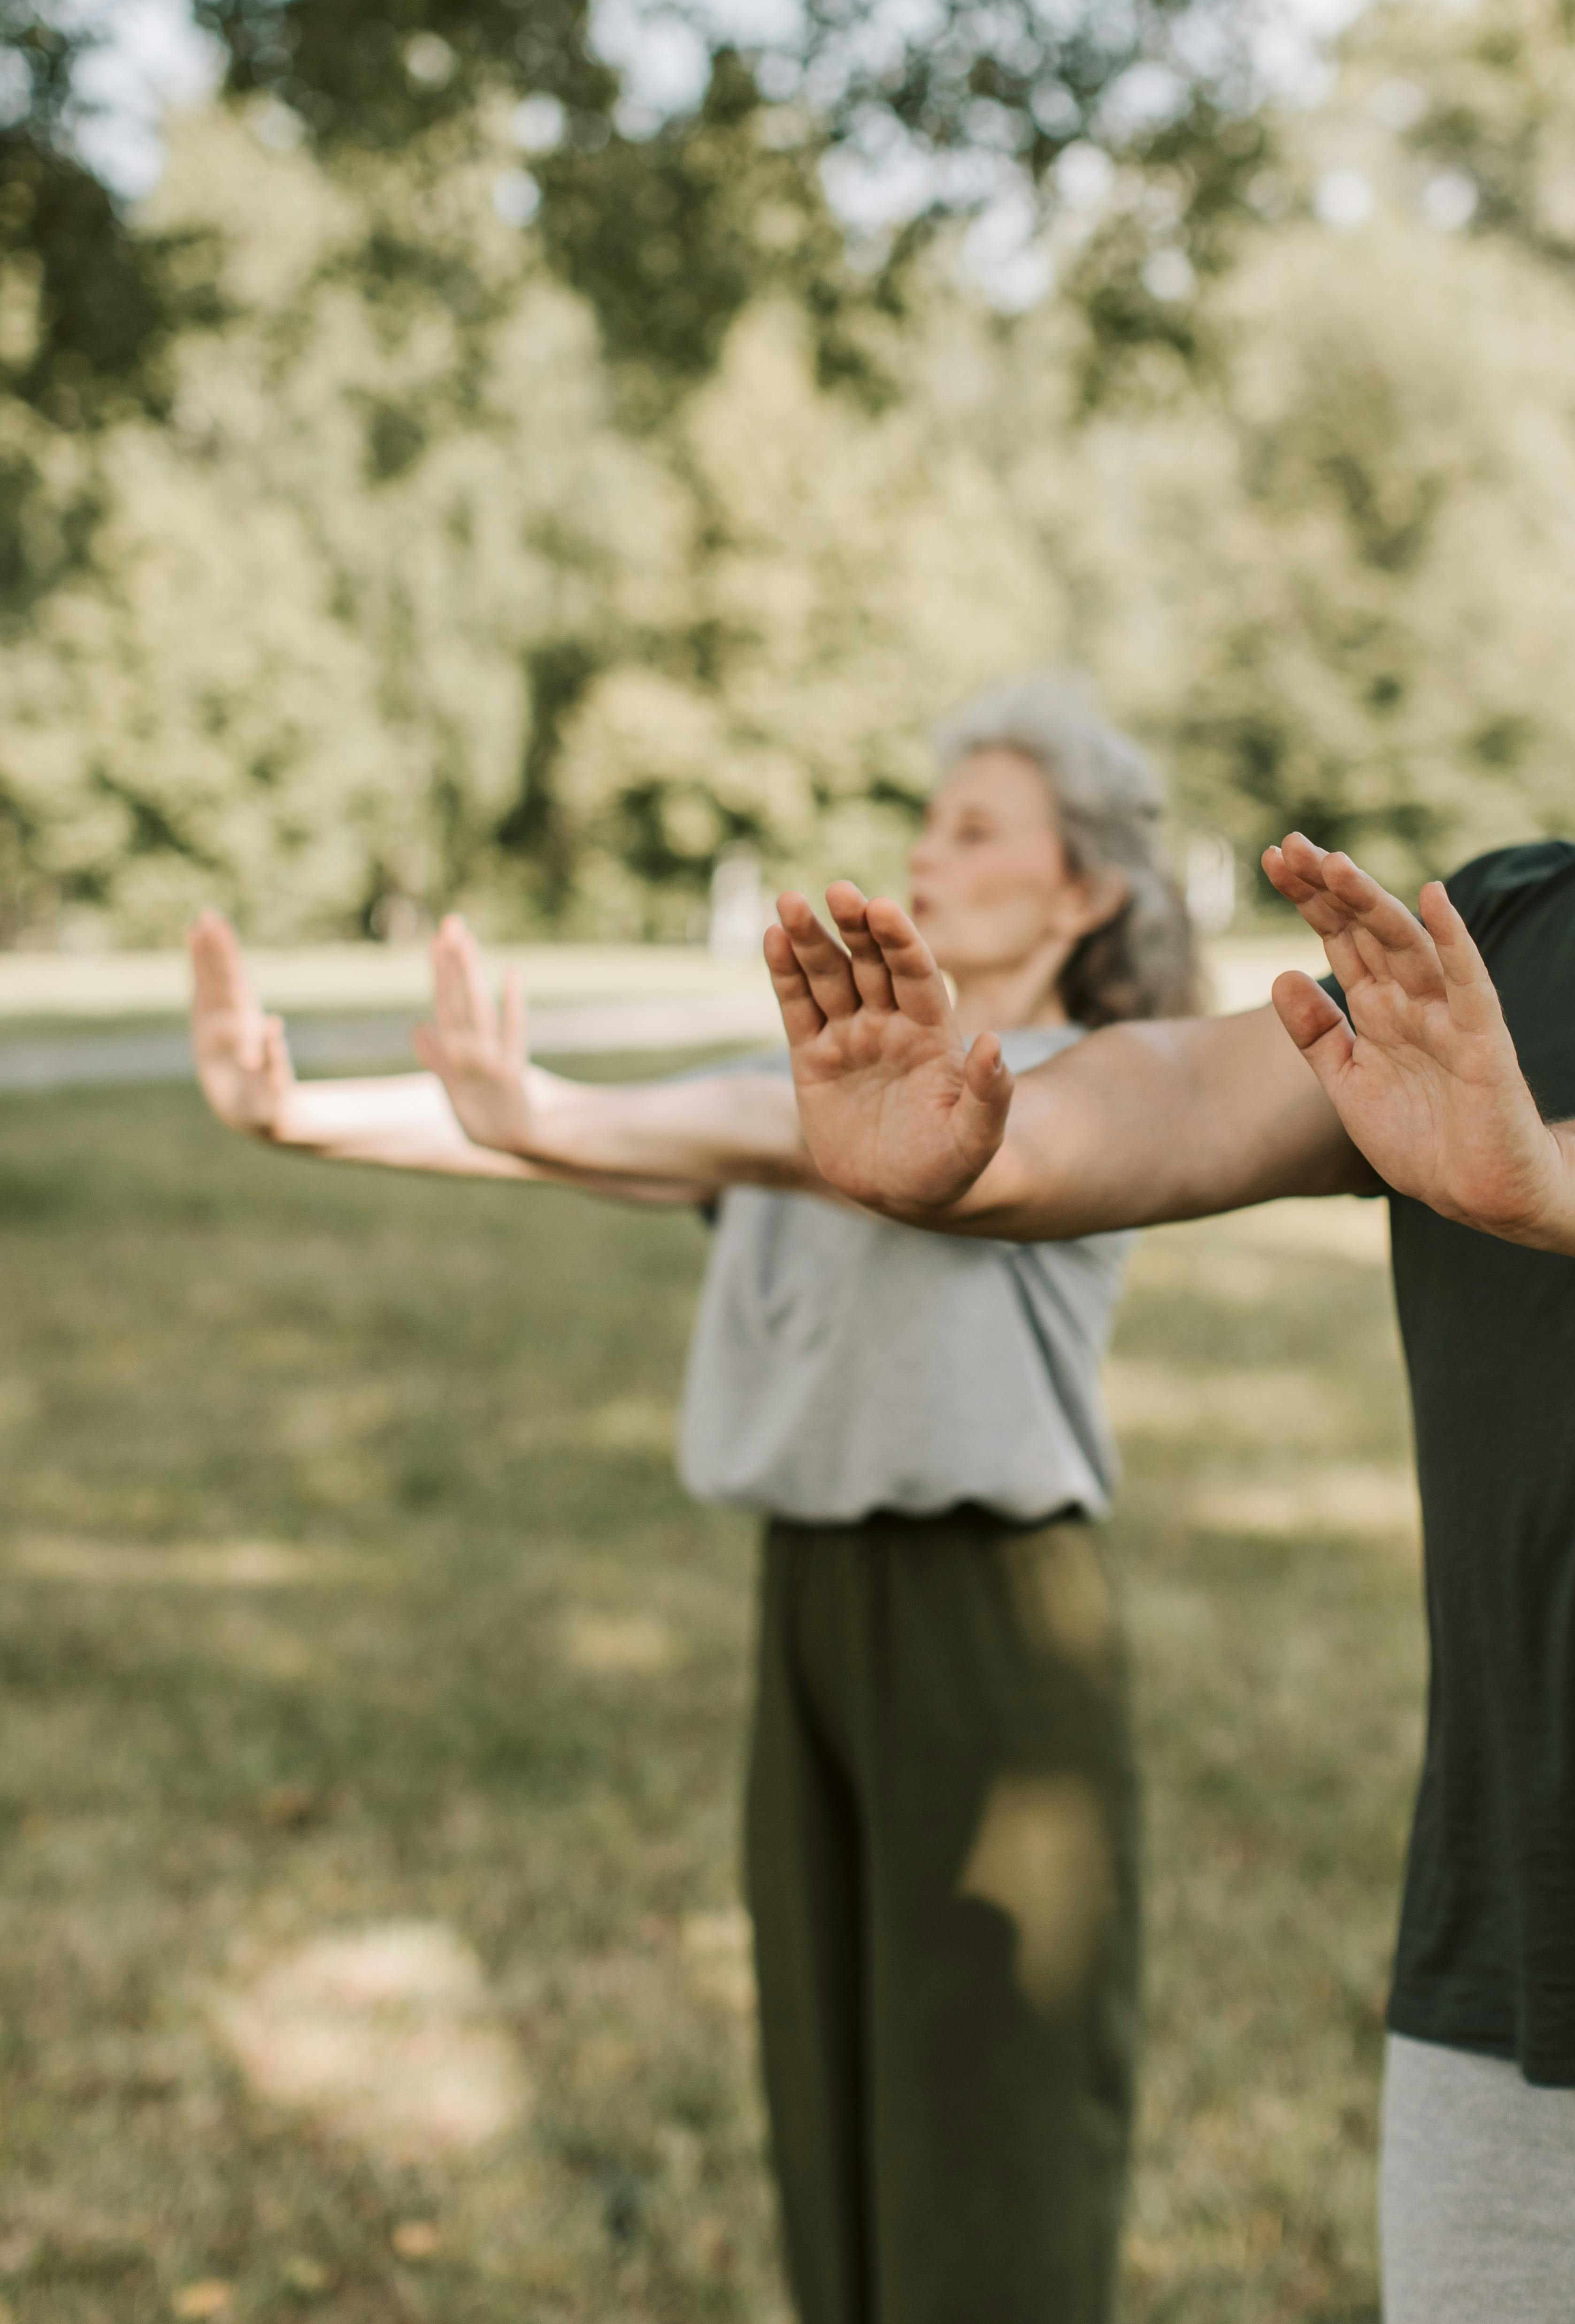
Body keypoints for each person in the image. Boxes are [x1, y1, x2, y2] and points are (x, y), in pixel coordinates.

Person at [767, 313, 1575, 2324]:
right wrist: (977, 1154)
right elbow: (1200, 1085)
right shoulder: (1500, 927)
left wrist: (1553, 1179)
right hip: (1517, 1957)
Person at [190, 683, 1199, 2324]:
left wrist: (552, 1110)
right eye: (927, 819)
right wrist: (293, 1111)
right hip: (808, 1598)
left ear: (1084, 890)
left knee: (997, 2093)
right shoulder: (809, 1080)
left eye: (978, 828)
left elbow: (737, 1129)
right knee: (831, 2049)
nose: (930, 853)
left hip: (991, 1618)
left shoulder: (1084, 1082)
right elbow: (626, 1136)